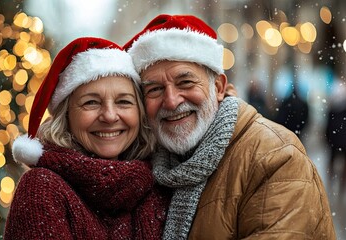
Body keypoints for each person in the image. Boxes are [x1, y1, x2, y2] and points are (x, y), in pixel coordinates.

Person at [123, 14, 336, 239]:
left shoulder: (276, 157)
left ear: (218, 87)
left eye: (185, 82)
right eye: (154, 89)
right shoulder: (151, 166)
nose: (172, 101)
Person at [4, 37, 170, 240]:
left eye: (124, 102)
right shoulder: (41, 188)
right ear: (66, 116)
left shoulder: (160, 184)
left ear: (140, 113)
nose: (109, 116)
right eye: (91, 102)